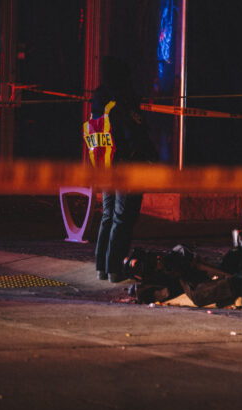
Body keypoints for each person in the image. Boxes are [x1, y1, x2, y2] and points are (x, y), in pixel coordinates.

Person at [83, 57, 157, 283]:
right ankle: (115, 268)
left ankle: (102, 267)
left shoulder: (99, 99)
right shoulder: (123, 101)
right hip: (126, 166)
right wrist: (150, 158)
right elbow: (136, 134)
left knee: (108, 216)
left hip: (105, 165)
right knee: (123, 218)